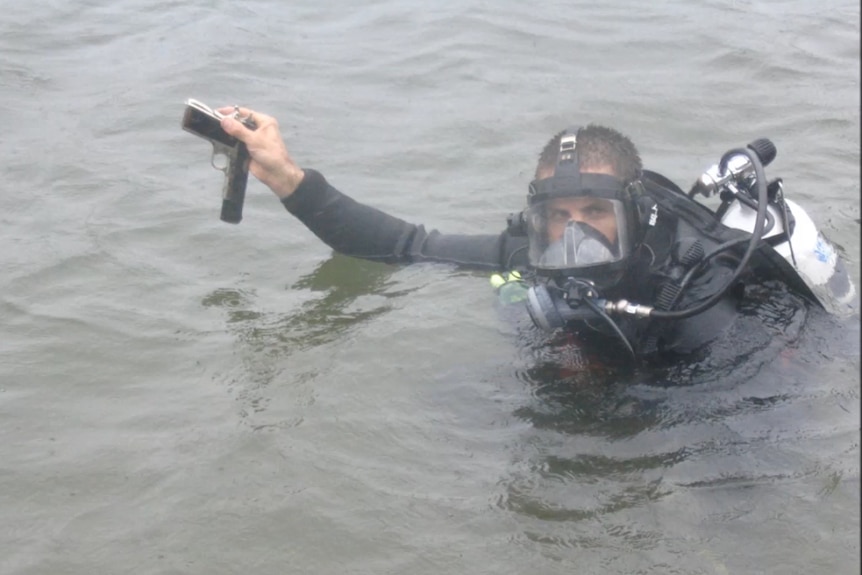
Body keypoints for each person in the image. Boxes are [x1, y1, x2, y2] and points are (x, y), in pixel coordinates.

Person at [215, 106, 856, 366]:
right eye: (559, 218)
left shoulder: (700, 289)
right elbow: (399, 245)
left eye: (596, 214)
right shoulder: (537, 253)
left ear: (635, 213)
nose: (574, 235)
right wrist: (286, 176)